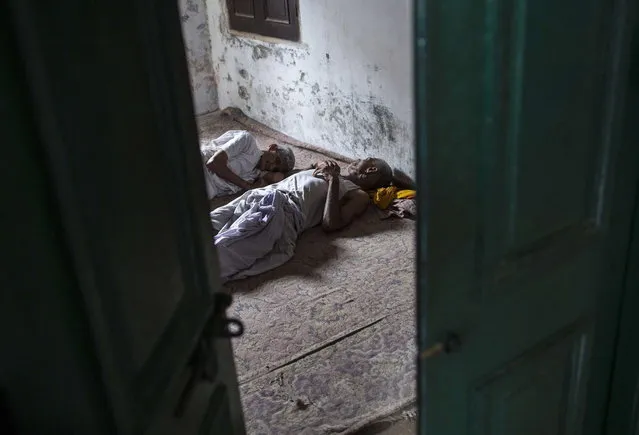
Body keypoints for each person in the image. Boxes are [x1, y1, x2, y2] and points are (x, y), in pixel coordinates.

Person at [210, 157, 409, 281]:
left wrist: (333, 181)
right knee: (205, 223)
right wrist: (318, 164)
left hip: (283, 211)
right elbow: (305, 170)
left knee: (223, 253)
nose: (356, 159)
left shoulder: (358, 194)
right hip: (261, 194)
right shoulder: (331, 167)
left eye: (365, 159)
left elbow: (331, 224)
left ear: (371, 169)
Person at [201, 130, 296, 199]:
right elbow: (213, 163)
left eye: (275, 169)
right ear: (272, 147)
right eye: (277, 161)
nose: (272, 166)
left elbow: (280, 178)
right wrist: (247, 186)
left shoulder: (256, 175)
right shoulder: (248, 141)